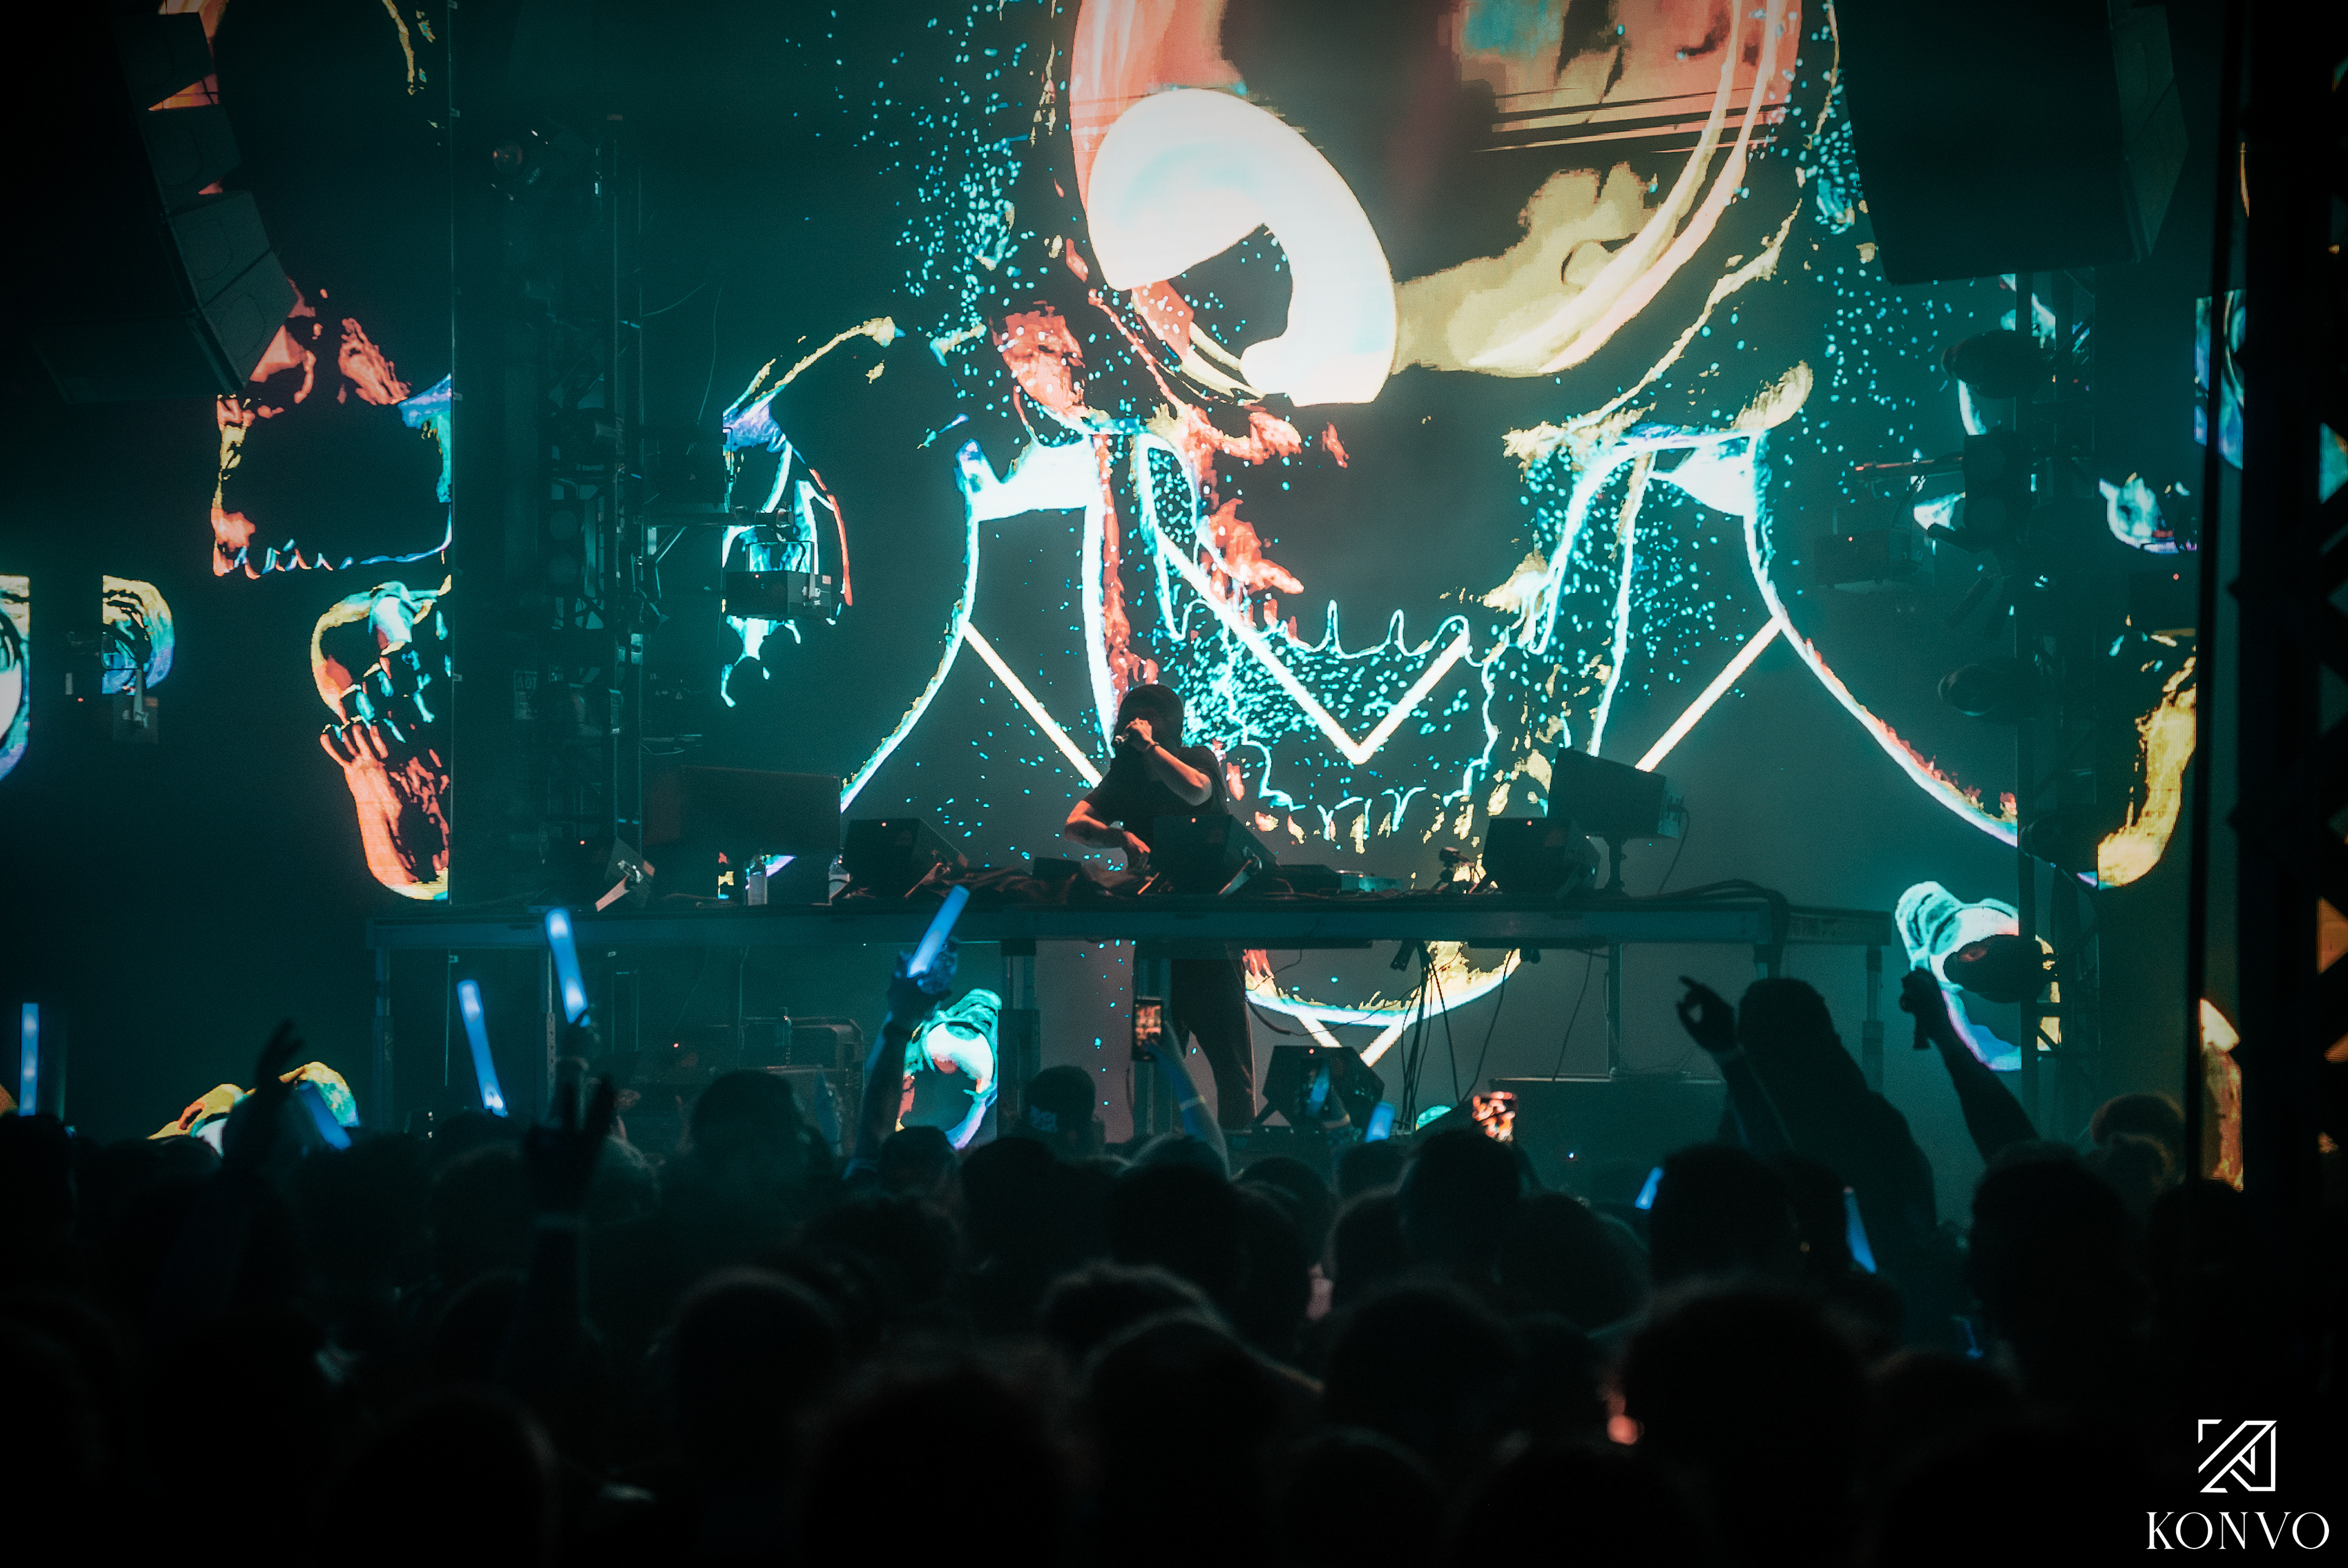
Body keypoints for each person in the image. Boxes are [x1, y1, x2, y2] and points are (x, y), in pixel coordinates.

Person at [1065, 682, 1257, 1128]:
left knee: (1232, 1067)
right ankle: (1155, 1148)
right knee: (1151, 1056)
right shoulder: (1125, 777)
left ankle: (1235, 1155)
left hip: (1211, 943)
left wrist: (1150, 748)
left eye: (1145, 715)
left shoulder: (1197, 759)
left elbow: (1197, 793)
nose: (1134, 722)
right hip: (1154, 949)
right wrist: (1119, 836)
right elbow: (1075, 823)